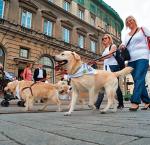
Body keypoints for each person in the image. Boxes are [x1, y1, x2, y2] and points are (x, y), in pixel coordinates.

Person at [121, 16, 150, 111]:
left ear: (135, 21)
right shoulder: (127, 35)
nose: (129, 22)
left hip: (142, 56)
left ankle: (135, 101)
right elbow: (124, 44)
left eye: (131, 20)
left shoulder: (142, 29)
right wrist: (121, 46)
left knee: (138, 78)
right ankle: (147, 101)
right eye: (127, 22)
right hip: (131, 60)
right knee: (139, 80)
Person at [95, 34, 124, 109]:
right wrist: (97, 62)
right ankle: (97, 105)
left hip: (113, 67)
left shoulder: (113, 46)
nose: (104, 40)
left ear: (109, 39)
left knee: (115, 86)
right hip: (106, 68)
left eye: (105, 38)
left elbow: (110, 55)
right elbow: (105, 61)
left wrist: (100, 59)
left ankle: (121, 103)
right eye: (103, 39)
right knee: (102, 85)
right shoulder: (105, 49)